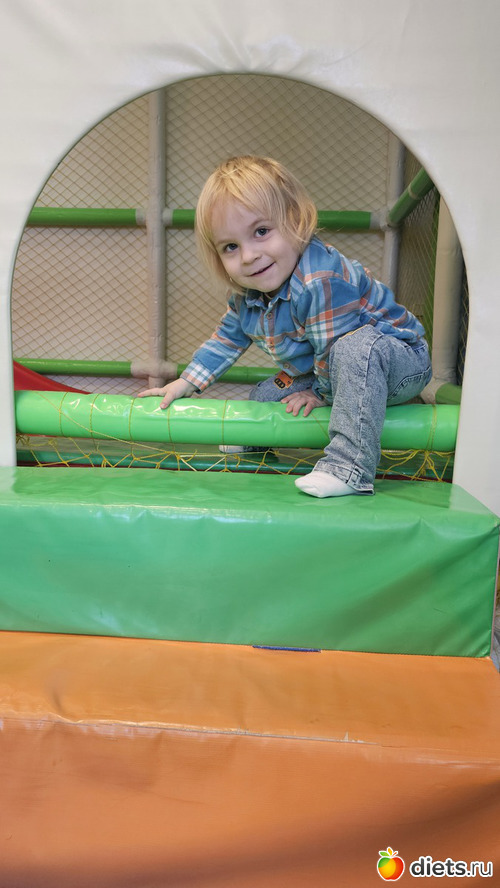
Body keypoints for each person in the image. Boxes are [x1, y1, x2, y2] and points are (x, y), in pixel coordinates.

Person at [138, 155, 431, 497]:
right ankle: (255, 442)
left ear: (296, 220)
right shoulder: (246, 295)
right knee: (267, 395)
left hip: (396, 362)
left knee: (354, 348)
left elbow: (337, 347)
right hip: (331, 368)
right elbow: (226, 341)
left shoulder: (319, 278)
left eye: (261, 232)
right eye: (231, 246)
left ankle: (349, 468)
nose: (248, 256)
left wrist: (319, 394)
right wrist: (186, 382)